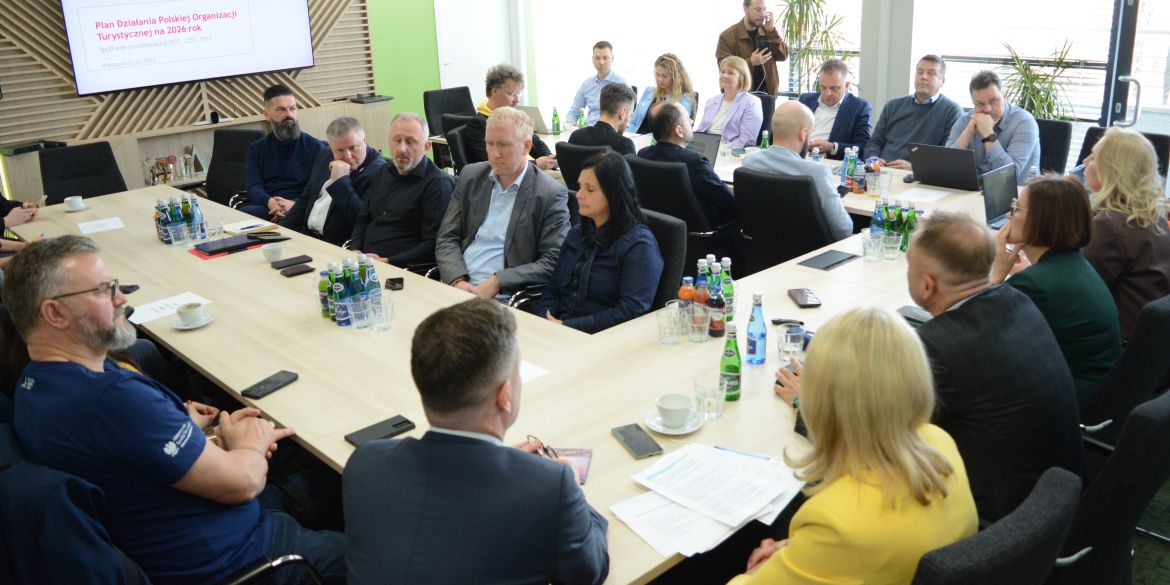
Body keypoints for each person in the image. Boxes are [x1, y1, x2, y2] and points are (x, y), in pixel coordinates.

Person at [3, 236, 345, 584]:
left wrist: (192, 432)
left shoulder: (34, 384)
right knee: (372, 547)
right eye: (104, 290)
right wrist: (250, 444)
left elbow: (125, 455)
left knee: (322, 478)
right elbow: (243, 482)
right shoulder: (113, 399)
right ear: (55, 313)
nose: (121, 299)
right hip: (239, 558)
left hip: (172, 531)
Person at [343, 298, 609, 585]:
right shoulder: (552, 489)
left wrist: (507, 465)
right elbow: (588, 574)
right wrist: (571, 492)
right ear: (504, 396)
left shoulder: (365, 462)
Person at [737, 307, 977, 584]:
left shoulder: (836, 522)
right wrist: (802, 551)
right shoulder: (939, 442)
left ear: (820, 401)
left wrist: (754, 573)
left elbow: (855, 539)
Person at [904, 211, 1086, 521]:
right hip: (1060, 498)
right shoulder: (1018, 300)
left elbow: (887, 435)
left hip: (1003, 521)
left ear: (927, 285)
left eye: (909, 267)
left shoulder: (935, 347)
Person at [991, 175, 1122, 405]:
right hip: (1101, 395)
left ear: (1039, 221)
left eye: (1016, 208)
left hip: (1065, 403)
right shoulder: (1075, 264)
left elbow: (984, 342)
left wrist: (996, 277)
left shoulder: (1034, 284)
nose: (1009, 216)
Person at [435, 107, 569, 300]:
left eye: (503, 145)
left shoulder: (549, 194)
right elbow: (447, 237)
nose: (494, 154)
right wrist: (457, 280)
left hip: (503, 297)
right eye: (489, 144)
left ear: (526, 146)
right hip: (457, 287)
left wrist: (499, 281)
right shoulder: (471, 176)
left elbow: (554, 260)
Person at [535, 151, 663, 333]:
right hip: (558, 329)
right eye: (580, 187)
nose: (579, 195)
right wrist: (544, 319)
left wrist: (567, 327)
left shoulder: (639, 244)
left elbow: (631, 310)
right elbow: (553, 287)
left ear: (613, 194)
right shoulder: (577, 234)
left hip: (601, 338)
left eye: (589, 189)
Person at [1080, 127, 1170, 340]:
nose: (1085, 161)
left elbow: (1079, 293)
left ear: (1111, 170)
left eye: (1094, 157)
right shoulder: (1152, 214)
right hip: (1149, 340)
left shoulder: (1109, 225)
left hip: (1116, 343)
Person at [350, 113, 455, 267]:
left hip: (402, 269)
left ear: (426, 147)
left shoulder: (438, 184)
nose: (402, 148)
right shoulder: (383, 171)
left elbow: (434, 243)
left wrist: (389, 261)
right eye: (397, 140)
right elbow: (363, 218)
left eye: (410, 142)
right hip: (364, 263)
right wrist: (355, 249)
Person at [742, 101, 852, 241]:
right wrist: (838, 205)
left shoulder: (749, 162)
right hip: (812, 252)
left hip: (760, 248)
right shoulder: (817, 172)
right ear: (803, 133)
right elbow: (843, 231)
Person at [280, 116, 387, 246]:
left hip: (339, 245)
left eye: (353, 148)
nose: (347, 156)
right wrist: (281, 232)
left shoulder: (380, 171)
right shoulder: (325, 155)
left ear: (364, 141)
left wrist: (340, 181)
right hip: (307, 237)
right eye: (340, 150)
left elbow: (363, 219)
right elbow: (306, 199)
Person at [637, 102, 737, 228]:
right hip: (701, 232)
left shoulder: (643, 155)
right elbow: (729, 203)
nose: (691, 121)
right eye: (687, 118)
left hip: (658, 228)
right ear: (679, 131)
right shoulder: (694, 163)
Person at [242, 84, 328, 220]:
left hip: (302, 206)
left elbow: (318, 188)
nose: (289, 114)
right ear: (266, 115)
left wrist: (294, 205)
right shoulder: (256, 148)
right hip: (269, 206)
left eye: (292, 108)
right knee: (244, 215)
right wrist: (270, 202)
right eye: (281, 109)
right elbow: (253, 186)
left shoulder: (315, 147)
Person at [865, 55, 964, 169]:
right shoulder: (893, 105)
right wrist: (874, 159)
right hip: (882, 170)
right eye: (920, 72)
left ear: (942, 81)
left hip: (918, 175)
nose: (923, 77)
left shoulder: (952, 111)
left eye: (931, 73)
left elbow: (948, 156)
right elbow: (874, 142)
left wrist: (915, 167)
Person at [947, 70, 1040, 184]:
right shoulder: (965, 120)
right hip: (975, 191)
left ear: (1004, 97)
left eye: (993, 101)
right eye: (980, 104)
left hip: (1017, 192)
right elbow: (947, 167)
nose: (988, 109)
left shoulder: (1024, 123)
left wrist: (988, 134)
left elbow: (1009, 175)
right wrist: (967, 133)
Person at [463, 64, 556, 170]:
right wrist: (536, 164)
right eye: (512, 94)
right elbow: (493, 163)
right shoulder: (478, 125)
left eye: (518, 94)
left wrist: (549, 158)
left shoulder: (514, 116)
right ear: (494, 91)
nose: (517, 100)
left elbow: (534, 141)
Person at [797, 58, 872, 160]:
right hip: (799, 158)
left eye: (834, 88)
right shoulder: (806, 100)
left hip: (830, 163)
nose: (827, 93)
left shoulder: (859, 107)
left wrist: (832, 147)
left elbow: (863, 147)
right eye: (823, 87)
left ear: (846, 86)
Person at [716, 0, 789, 96]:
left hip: (767, 96)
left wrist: (772, 32)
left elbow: (783, 56)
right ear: (745, 9)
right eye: (757, 10)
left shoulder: (768, 31)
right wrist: (751, 62)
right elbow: (723, 67)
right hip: (738, 97)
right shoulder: (728, 36)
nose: (762, 14)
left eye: (764, 10)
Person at [696, 56, 764, 148]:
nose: (725, 76)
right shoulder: (711, 101)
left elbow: (747, 140)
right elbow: (700, 131)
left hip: (729, 151)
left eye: (730, 73)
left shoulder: (751, 102)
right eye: (722, 71)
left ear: (742, 77)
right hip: (705, 147)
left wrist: (721, 149)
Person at [628, 53, 697, 135]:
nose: (660, 79)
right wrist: (626, 135)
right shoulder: (649, 91)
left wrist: (642, 138)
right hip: (634, 136)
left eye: (664, 76)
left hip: (657, 140)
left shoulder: (684, 98)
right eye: (657, 74)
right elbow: (633, 120)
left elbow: (675, 129)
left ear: (676, 77)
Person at [568, 41, 629, 126]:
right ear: (593, 60)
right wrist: (570, 126)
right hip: (589, 129)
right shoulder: (587, 84)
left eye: (605, 58)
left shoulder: (621, 83)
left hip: (610, 130)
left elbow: (628, 115)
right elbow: (573, 113)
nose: (601, 62)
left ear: (612, 58)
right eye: (597, 58)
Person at [568, 83, 637, 155]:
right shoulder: (625, 146)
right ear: (622, 112)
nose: (628, 125)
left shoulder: (576, 137)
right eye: (630, 116)